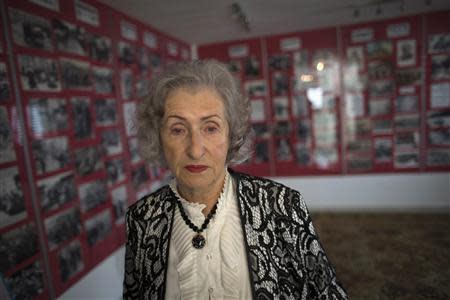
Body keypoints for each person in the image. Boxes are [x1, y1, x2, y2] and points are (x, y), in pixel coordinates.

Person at [123, 60, 347, 299]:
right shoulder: (142, 220)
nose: (195, 150)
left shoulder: (282, 206)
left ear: (232, 135)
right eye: (178, 130)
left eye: (210, 128)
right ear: (159, 138)